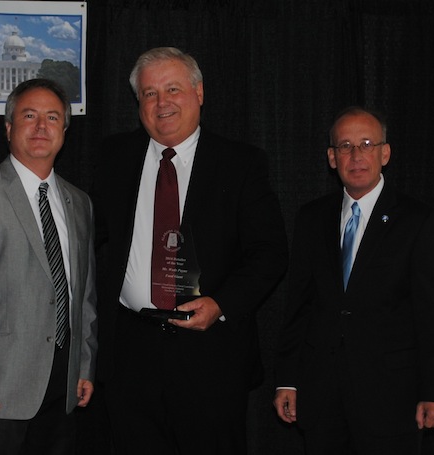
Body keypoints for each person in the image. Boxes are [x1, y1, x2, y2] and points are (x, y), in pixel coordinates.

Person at [92, 47, 288, 455]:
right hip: (131, 353)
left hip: (211, 356)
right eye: (149, 93)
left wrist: (221, 304)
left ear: (199, 93)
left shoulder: (241, 163)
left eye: (173, 89)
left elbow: (270, 253)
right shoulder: (113, 157)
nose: (162, 103)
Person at [273, 106, 434, 454]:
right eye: (345, 146)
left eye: (367, 144)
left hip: (392, 398)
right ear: (331, 157)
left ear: (385, 153)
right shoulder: (311, 218)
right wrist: (288, 380)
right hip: (322, 395)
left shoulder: (419, 221)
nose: (356, 155)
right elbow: (299, 306)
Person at [0, 78, 98, 454]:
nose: (41, 127)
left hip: (63, 387)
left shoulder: (80, 202)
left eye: (53, 117)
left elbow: (84, 295)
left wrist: (84, 365)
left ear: (64, 131)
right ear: (9, 128)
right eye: (30, 115)